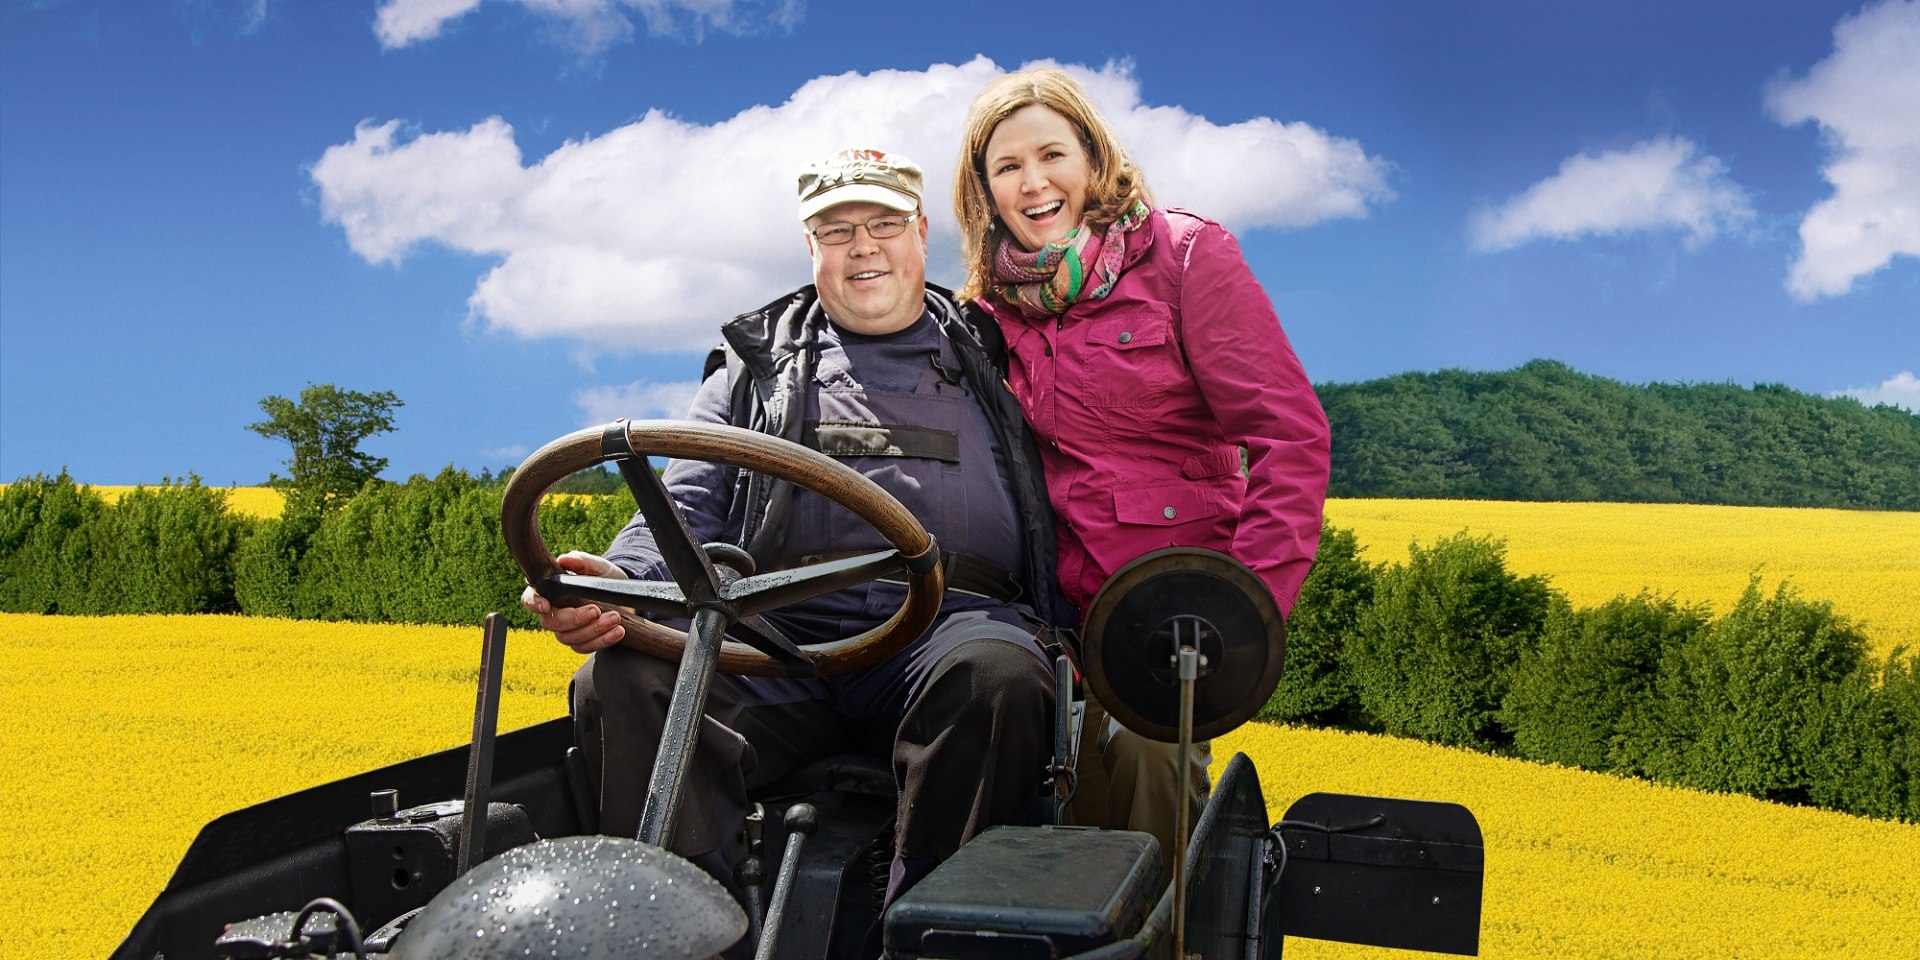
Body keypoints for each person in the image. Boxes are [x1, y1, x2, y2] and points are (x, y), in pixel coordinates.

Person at [520, 148, 1072, 915]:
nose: (863, 246)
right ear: (810, 246)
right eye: (837, 230)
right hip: (779, 642)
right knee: (622, 676)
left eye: (883, 223)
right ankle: (694, 927)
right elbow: (680, 505)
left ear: (920, 233)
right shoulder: (753, 368)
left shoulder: (1001, 352)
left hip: (948, 628)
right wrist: (616, 582)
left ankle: (931, 930)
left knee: (996, 679)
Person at [952, 68, 1332, 867]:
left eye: (1051, 154)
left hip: (1168, 611)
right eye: (1007, 167)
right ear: (984, 193)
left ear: (1092, 157)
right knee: (1034, 777)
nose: (1034, 182)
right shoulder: (981, 312)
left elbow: (1290, 436)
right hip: (1048, 615)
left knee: (1147, 755)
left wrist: (1240, 613)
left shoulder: (1188, 256)